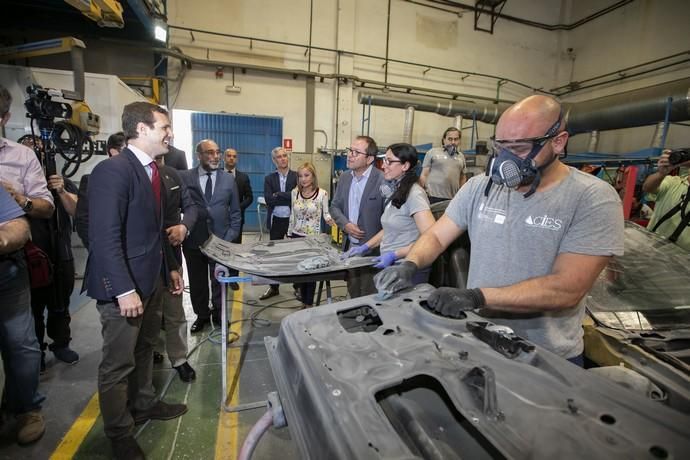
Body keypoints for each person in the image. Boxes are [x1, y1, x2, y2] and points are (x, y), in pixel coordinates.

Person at [374, 95, 624, 365]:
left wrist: (476, 297)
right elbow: (435, 235)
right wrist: (410, 264)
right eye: (501, 145)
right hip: (480, 340)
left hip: (546, 357)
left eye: (517, 148)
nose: (505, 158)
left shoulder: (592, 197)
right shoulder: (479, 187)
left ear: (558, 142)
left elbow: (567, 288)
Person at [85, 101, 187, 459]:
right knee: (117, 364)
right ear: (141, 130)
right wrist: (124, 290)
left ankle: (143, 402)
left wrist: (170, 267)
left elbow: (155, 232)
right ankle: (119, 431)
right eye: (164, 127)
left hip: (152, 281)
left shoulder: (154, 172)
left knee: (145, 350)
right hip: (124, 290)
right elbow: (104, 238)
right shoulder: (113, 171)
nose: (169, 134)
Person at [349, 144, 435, 283]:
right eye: (384, 161)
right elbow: (389, 229)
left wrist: (395, 255)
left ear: (405, 166)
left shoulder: (415, 194)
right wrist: (365, 247)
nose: (383, 166)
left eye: (389, 161)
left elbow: (431, 238)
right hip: (393, 266)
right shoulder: (398, 191)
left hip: (407, 269)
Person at [180, 139, 242, 333]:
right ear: (199, 155)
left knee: (219, 281)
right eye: (210, 152)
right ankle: (202, 315)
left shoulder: (228, 179)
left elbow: (235, 213)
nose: (216, 156)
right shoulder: (185, 177)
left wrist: (229, 237)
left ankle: (219, 314)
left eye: (217, 152)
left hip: (220, 241)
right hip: (194, 240)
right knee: (197, 282)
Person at [0, 186, 45, 445]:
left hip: (6, 273)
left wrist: (3, 239)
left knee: (20, 343)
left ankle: (27, 410)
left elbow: (20, 227)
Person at [153, 153, 199, 382]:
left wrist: (183, 226)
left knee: (174, 311)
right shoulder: (127, 175)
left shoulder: (171, 175)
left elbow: (190, 207)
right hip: (144, 260)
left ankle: (179, 358)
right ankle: (153, 350)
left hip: (172, 254)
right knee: (148, 315)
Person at [29, 170, 80, 371]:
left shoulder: (63, 182)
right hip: (33, 255)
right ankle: (36, 351)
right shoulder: (20, 185)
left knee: (60, 302)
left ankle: (61, 343)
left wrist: (61, 190)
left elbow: (77, 210)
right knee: (34, 308)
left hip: (61, 252)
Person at [330, 135, 385, 298]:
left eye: (356, 152)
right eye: (350, 150)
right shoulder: (345, 177)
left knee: (371, 294)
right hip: (350, 248)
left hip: (374, 251)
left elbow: (390, 220)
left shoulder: (382, 180)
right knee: (353, 292)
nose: (350, 155)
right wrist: (345, 224)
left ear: (369, 159)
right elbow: (334, 206)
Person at [287, 162, 334, 308]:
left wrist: (333, 222)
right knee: (300, 272)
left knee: (311, 273)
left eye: (306, 175)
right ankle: (303, 298)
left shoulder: (322, 194)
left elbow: (326, 214)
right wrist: (288, 234)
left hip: (314, 239)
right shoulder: (294, 192)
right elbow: (292, 215)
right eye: (300, 176)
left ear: (313, 177)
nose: (303, 179)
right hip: (296, 237)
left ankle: (308, 304)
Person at [75, 131, 126, 248]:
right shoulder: (92, 180)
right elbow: (83, 222)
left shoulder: (139, 179)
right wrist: (99, 251)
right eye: (128, 152)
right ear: (114, 152)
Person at [259, 147, 297, 300]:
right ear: (274, 161)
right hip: (276, 221)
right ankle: (274, 287)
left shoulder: (296, 176)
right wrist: (286, 196)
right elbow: (269, 199)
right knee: (274, 255)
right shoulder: (269, 178)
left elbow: (296, 196)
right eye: (279, 157)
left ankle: (298, 287)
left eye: (284, 156)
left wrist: (279, 194)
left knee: (294, 254)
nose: (282, 159)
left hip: (293, 220)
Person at [642, 149, 690, 251]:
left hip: (684, 261)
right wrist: (661, 173)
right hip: (651, 250)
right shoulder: (673, 182)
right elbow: (647, 187)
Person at [224, 147, 254, 290]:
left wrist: (237, 208)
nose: (231, 158)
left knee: (235, 248)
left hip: (237, 220)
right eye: (229, 156)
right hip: (219, 220)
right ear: (224, 158)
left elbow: (249, 197)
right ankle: (220, 274)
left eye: (234, 156)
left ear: (237, 159)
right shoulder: (217, 175)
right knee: (221, 247)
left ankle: (233, 277)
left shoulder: (243, 177)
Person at [419, 127, 466, 203]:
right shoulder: (432, 152)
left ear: (459, 141)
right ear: (444, 140)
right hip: (432, 197)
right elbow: (424, 174)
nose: (453, 142)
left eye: (456, 139)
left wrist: (460, 194)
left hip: (452, 199)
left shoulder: (461, 156)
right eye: (450, 139)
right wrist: (421, 192)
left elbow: (462, 177)